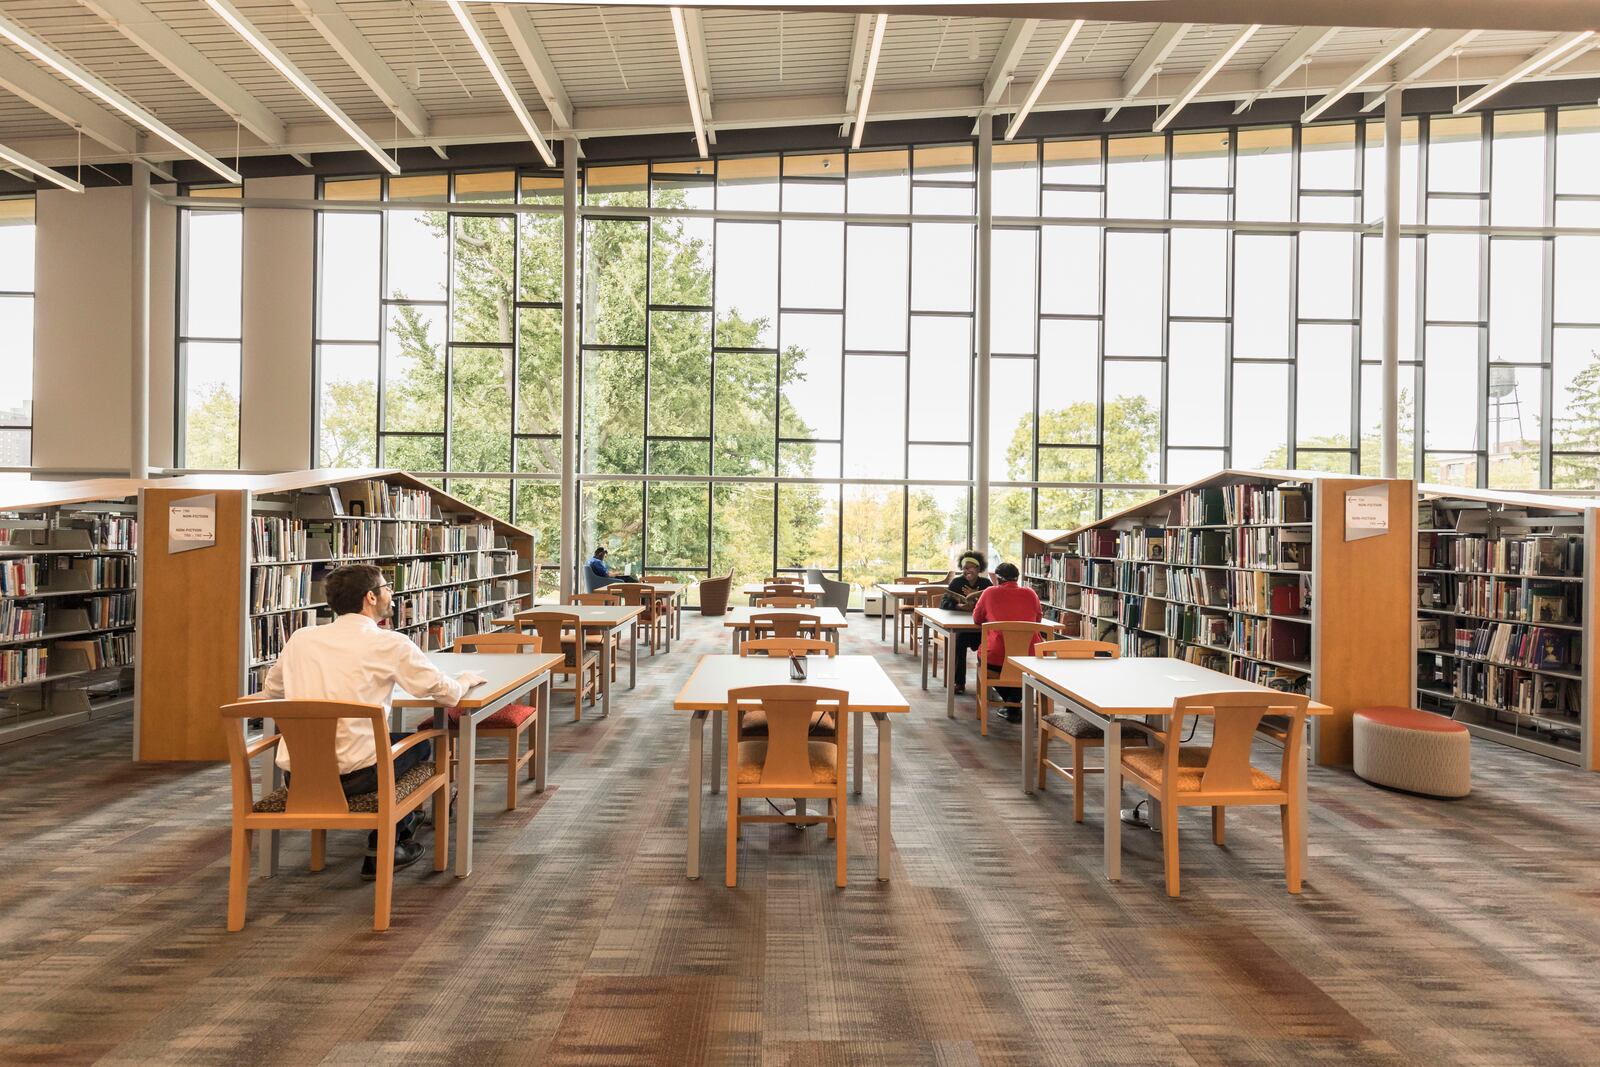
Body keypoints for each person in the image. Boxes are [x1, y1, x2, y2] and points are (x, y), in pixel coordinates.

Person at [261, 564, 486, 879]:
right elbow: (447, 695)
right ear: (370, 597)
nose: (391, 593)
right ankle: (386, 844)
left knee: (388, 741)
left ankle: (403, 827)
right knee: (425, 745)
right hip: (362, 777)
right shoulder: (390, 643)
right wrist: (465, 679)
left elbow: (273, 690)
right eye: (387, 587)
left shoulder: (301, 639)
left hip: (300, 775)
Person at [970, 561, 1043, 722]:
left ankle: (1011, 704)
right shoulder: (1031, 593)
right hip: (1029, 659)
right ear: (1017, 578)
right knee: (1019, 670)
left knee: (991, 660)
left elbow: (977, 619)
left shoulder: (989, 592)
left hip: (996, 658)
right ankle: (1014, 704)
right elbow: (1038, 620)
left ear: (997, 579)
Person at [942, 551, 992, 695]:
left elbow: (992, 605)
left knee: (995, 643)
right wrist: (958, 606)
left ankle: (990, 682)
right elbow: (943, 603)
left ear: (978, 568)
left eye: (970, 567)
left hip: (981, 629)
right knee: (959, 643)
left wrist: (976, 599)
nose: (966, 570)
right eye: (964, 568)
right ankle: (959, 683)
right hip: (962, 629)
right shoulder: (957, 582)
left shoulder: (986, 584)